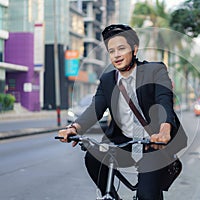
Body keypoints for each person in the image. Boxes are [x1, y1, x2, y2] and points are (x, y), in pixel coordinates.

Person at [58, 24, 187, 200]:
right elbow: (95, 108)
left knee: (147, 195)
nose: (116, 55)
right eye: (111, 51)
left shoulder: (154, 70)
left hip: (152, 145)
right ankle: (110, 196)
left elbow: (164, 100)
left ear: (134, 49)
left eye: (121, 48)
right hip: (122, 144)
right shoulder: (107, 80)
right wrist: (74, 127)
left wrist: (164, 131)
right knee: (92, 156)